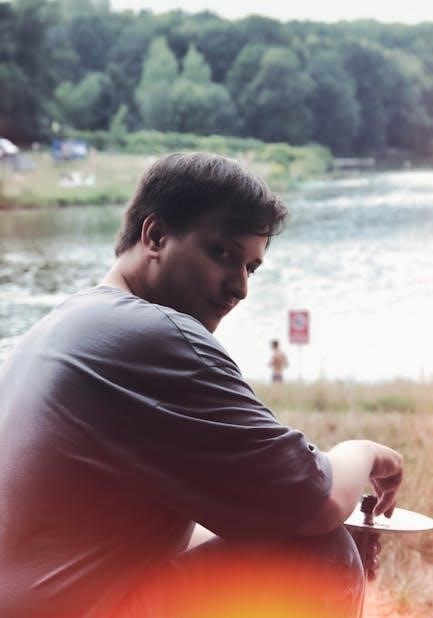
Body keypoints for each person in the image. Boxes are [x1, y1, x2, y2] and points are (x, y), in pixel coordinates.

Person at [0, 152, 403, 618]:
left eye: (250, 268)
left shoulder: (64, 324)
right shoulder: (155, 336)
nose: (240, 288)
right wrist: (363, 452)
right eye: (223, 254)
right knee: (320, 553)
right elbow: (320, 502)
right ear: (155, 236)